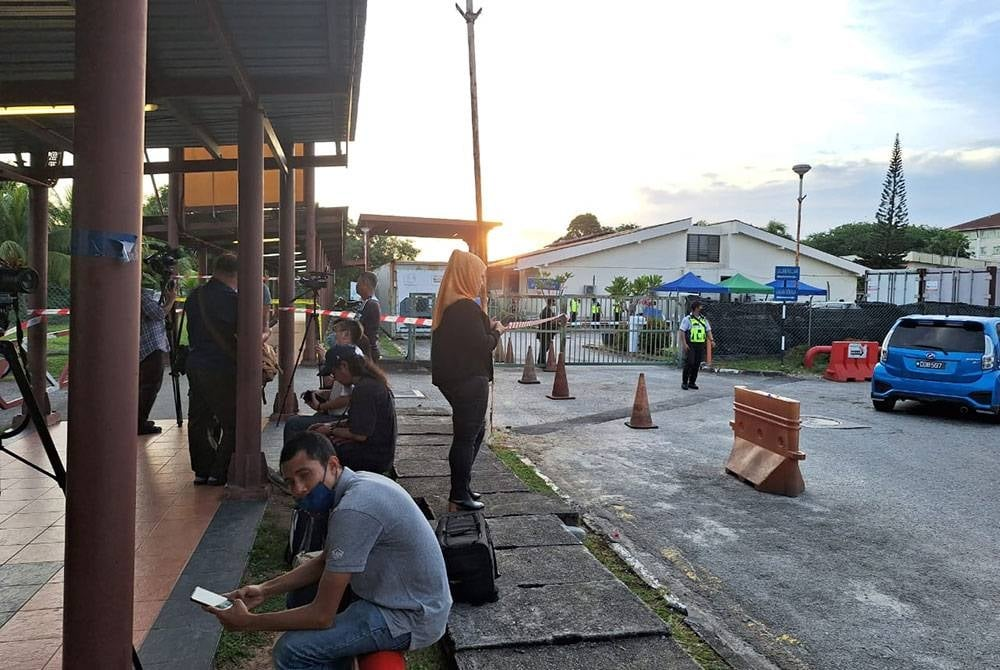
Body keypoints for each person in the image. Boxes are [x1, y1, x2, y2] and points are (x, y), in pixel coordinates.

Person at [204, 431, 451, 669]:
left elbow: (322, 615)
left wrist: (249, 623)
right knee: (301, 596)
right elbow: (325, 561)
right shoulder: (357, 484)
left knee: (290, 652)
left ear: (332, 465)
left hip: (410, 615)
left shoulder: (353, 509)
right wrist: (264, 590)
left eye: (305, 475)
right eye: (290, 482)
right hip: (394, 596)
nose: (299, 489)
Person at [430, 249, 504, 512]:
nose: (482, 282)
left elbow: (468, 339)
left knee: (475, 431)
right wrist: (497, 332)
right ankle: (458, 495)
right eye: (479, 276)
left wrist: (485, 324)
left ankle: (462, 486)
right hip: (469, 379)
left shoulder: (452, 306)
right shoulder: (464, 308)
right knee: (466, 436)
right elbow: (482, 345)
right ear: (466, 275)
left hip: (455, 379)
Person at [184, 253, 239, 485]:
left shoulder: (195, 296)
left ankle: (202, 470)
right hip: (221, 366)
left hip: (195, 362)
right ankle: (220, 471)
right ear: (235, 274)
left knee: (200, 419)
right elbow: (245, 334)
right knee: (233, 421)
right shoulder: (232, 300)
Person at [308, 345, 396, 475]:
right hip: (378, 452)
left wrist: (330, 430)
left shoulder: (364, 389)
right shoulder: (370, 383)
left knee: (315, 446)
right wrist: (330, 425)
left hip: (373, 458)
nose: (335, 378)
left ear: (344, 366)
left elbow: (360, 435)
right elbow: (360, 422)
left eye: (334, 373)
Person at [283, 320, 371, 443]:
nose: (334, 336)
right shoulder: (351, 353)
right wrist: (320, 393)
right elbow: (338, 387)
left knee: (293, 424)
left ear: (346, 334)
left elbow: (347, 397)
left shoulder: (350, 357)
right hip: (338, 414)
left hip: (340, 415)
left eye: (336, 332)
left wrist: (321, 406)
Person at [137, 277, 177, 435]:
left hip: (153, 344)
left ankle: (140, 419)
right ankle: (139, 421)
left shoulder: (148, 295)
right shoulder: (142, 295)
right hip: (149, 346)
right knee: (150, 384)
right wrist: (171, 300)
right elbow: (159, 314)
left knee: (150, 384)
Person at [679, 300, 713, 390]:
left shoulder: (703, 319)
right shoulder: (688, 319)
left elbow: (708, 330)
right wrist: (684, 344)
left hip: (700, 344)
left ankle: (692, 382)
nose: (702, 308)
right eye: (700, 307)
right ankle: (684, 382)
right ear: (696, 308)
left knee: (697, 363)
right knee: (690, 362)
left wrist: (712, 340)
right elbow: (682, 331)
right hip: (691, 344)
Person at [356, 272, 381, 364]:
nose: (357, 286)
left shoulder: (371, 304)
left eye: (358, 283)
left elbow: (358, 327)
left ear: (365, 284)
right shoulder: (366, 303)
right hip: (364, 351)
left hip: (368, 353)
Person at [536, 298, 555, 366]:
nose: (554, 303)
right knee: (544, 347)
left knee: (544, 347)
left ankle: (541, 361)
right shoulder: (547, 311)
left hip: (545, 332)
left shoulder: (547, 310)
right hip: (545, 332)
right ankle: (541, 362)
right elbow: (550, 321)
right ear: (551, 303)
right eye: (553, 302)